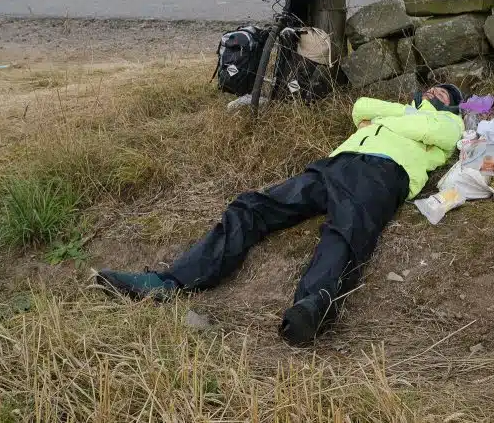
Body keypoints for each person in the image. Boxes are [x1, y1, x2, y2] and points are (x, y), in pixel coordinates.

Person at [97, 84, 464, 346]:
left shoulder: (451, 124)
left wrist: (395, 118)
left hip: (383, 173)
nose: (435, 92)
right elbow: (360, 107)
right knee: (252, 206)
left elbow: (428, 129)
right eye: (431, 88)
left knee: (345, 232)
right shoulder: (402, 111)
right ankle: (171, 282)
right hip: (333, 165)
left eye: (444, 95)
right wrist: (403, 114)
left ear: (451, 108)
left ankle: (313, 305)